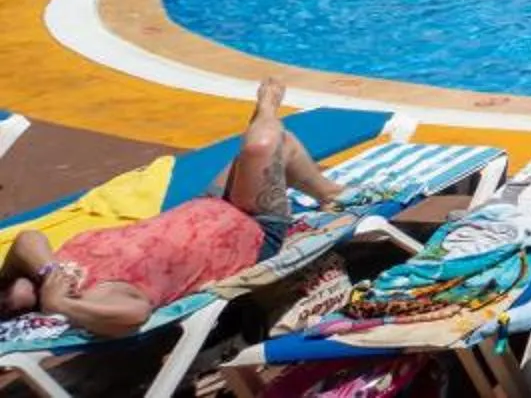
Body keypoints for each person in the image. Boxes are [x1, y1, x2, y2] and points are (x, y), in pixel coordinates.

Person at [1, 79, 342, 338]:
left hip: (207, 205)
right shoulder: (91, 295)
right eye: (4, 305)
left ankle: (326, 190)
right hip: (250, 232)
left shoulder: (49, 270)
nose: (4, 297)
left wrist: (50, 272)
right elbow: (134, 314)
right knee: (263, 145)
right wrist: (62, 304)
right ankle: (268, 113)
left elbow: (27, 240)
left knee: (270, 148)